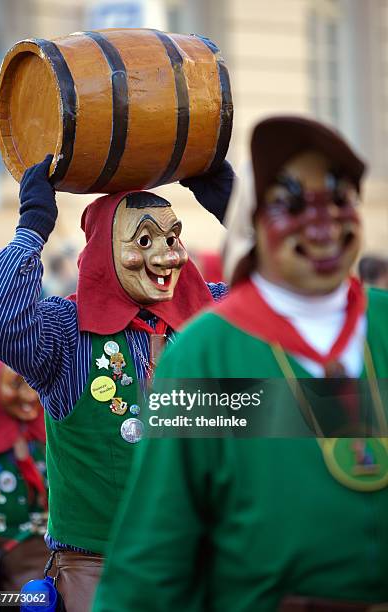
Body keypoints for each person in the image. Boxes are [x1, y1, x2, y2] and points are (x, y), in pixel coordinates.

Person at [93, 116, 388, 612]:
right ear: (253, 219)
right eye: (290, 203)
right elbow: (157, 552)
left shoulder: (381, 326)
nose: (323, 221)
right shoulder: (208, 352)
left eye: (339, 198)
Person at [0, 156, 233, 612]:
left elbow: (296, 310)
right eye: (143, 240)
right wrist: (32, 227)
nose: (165, 255)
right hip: (103, 582)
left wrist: (240, 214)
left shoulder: (210, 315)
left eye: (172, 238)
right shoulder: (67, 333)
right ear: (102, 251)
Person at [0, 356, 49, 607]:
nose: (29, 396)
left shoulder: (47, 437)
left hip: (54, 556)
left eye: (32, 385)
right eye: (16, 384)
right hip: (5, 558)